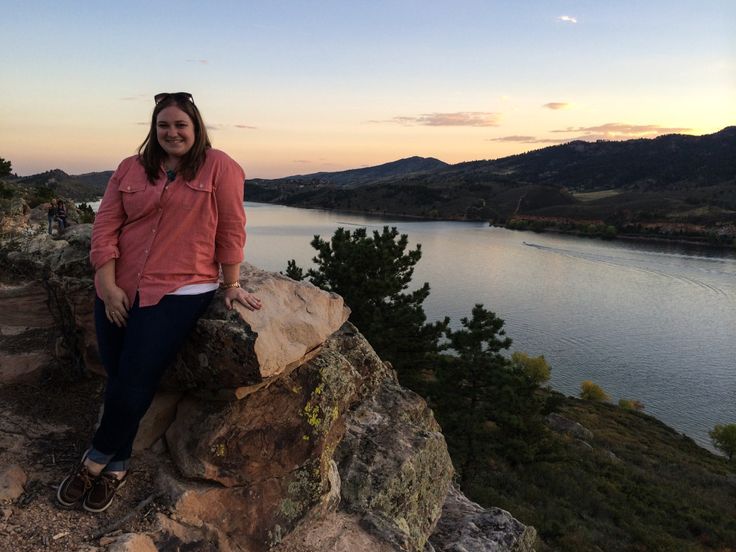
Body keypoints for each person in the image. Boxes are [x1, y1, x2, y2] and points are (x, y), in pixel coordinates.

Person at [56, 92, 262, 513]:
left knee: (134, 376)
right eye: (163, 125)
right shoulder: (131, 168)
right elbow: (106, 224)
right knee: (121, 377)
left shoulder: (220, 166)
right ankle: (120, 463)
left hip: (180, 288)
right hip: (120, 285)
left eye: (180, 125)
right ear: (154, 129)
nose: (172, 133)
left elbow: (232, 227)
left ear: (196, 127)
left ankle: (95, 460)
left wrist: (232, 283)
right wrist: (108, 285)